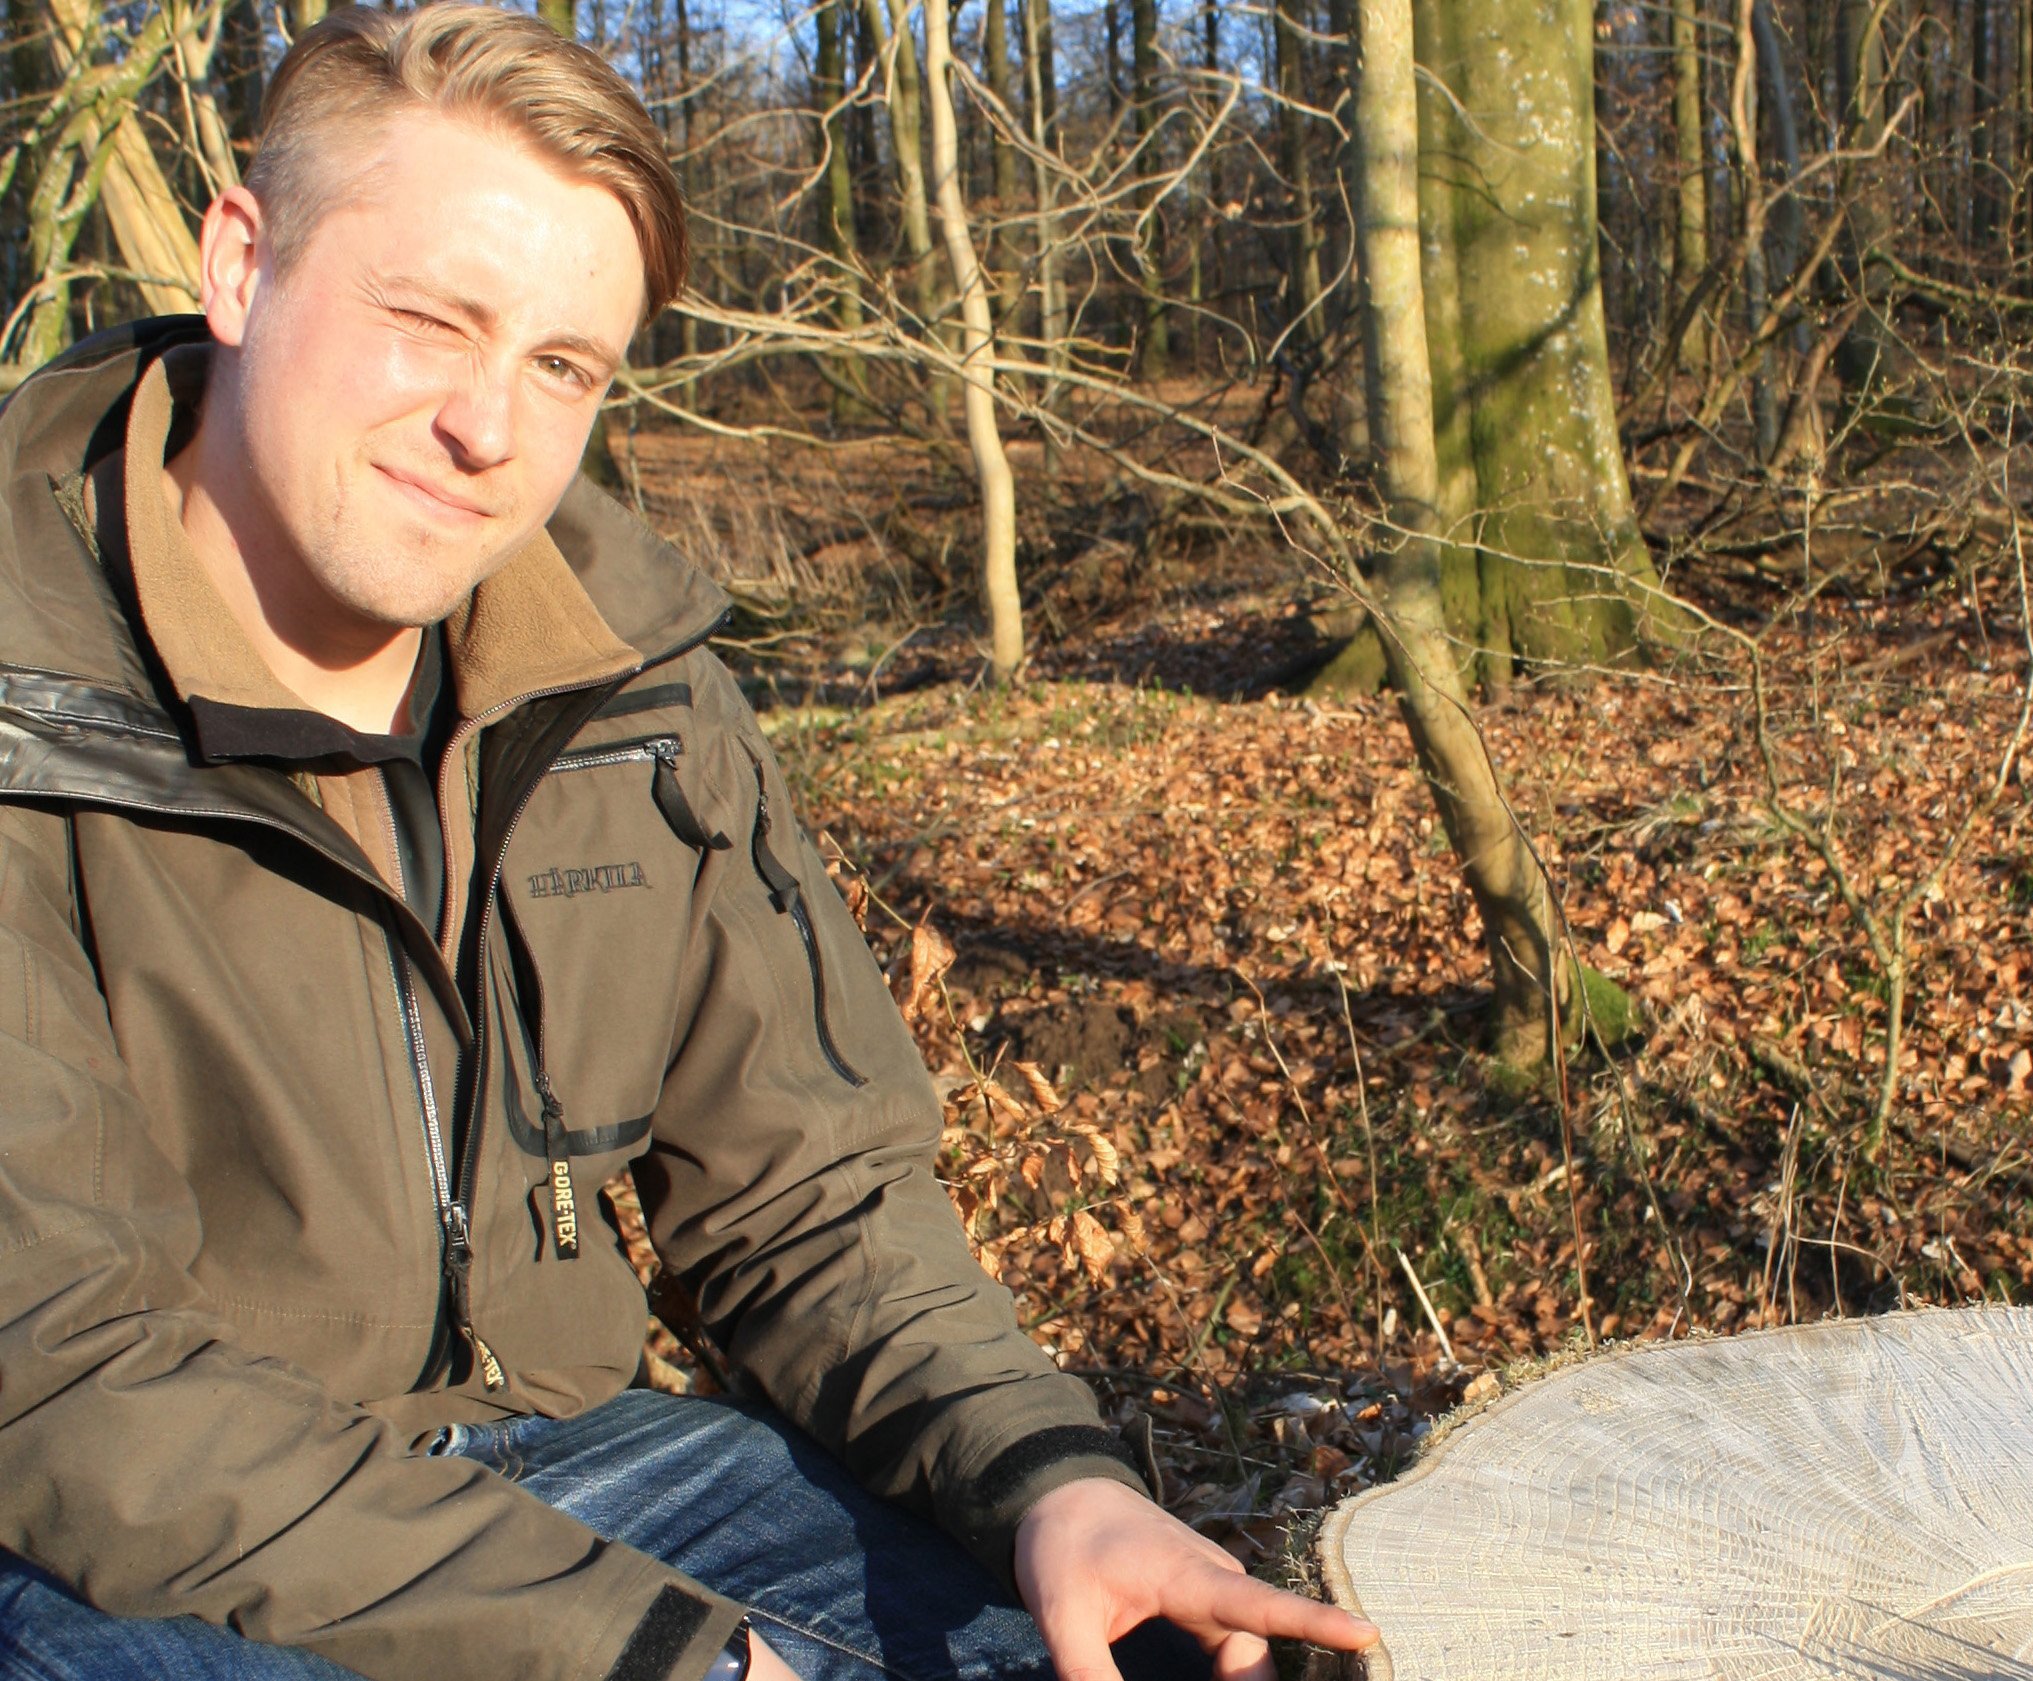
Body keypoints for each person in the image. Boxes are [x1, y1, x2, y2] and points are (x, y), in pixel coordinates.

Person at [0, 9, 1378, 1681]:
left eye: (563, 367)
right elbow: (61, 1375)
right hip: (122, 1546)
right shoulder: (29, 692)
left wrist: (1049, 1475)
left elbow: (813, 1195)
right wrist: (637, 1656)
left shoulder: (629, 694)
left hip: (596, 1473)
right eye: (430, 321)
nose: (489, 431)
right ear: (240, 264)